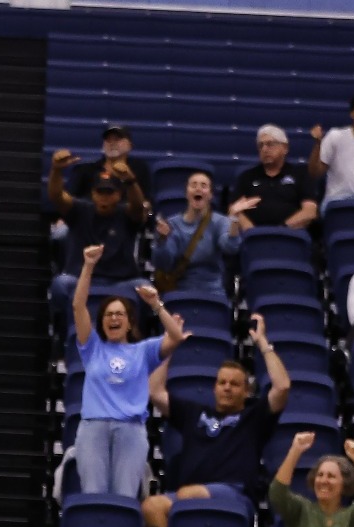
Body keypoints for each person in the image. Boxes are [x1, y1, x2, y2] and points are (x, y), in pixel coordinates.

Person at [141, 315, 292, 527]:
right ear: (214, 387)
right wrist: (170, 346)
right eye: (222, 383)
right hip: (187, 493)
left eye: (234, 384)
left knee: (187, 495)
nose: (227, 388)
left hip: (234, 494)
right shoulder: (194, 412)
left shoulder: (253, 417)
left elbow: (282, 387)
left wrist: (262, 342)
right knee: (151, 506)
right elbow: (155, 391)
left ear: (246, 392)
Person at [70, 253, 185, 498]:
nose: (114, 318)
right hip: (94, 428)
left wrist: (156, 304)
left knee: (124, 497)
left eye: (119, 314)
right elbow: (78, 306)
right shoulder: (92, 348)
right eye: (109, 315)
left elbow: (176, 337)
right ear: (101, 323)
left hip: (130, 429)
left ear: (130, 323)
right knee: (93, 495)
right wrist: (89, 266)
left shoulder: (143, 351)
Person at [48, 147, 148, 305]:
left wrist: (130, 181)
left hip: (121, 281)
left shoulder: (126, 214)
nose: (104, 197)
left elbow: (138, 207)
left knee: (145, 288)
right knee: (60, 284)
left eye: (109, 193)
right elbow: (56, 196)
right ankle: (63, 328)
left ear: (118, 195)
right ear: (93, 193)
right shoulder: (80, 210)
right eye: (100, 192)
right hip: (80, 278)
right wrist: (56, 170)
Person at [150, 171, 242, 295]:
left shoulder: (220, 221)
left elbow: (231, 247)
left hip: (212, 290)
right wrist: (162, 240)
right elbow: (163, 264)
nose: (198, 188)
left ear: (210, 195)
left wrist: (235, 220)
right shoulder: (171, 224)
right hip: (179, 288)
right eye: (193, 185)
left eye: (203, 186)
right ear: (187, 193)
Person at [229, 124, 318, 232]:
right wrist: (251, 232)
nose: (265, 149)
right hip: (254, 238)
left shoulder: (300, 174)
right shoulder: (247, 176)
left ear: (285, 148)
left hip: (291, 235)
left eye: (270, 144)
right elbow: (234, 209)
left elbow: (310, 211)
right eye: (261, 145)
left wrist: (281, 230)